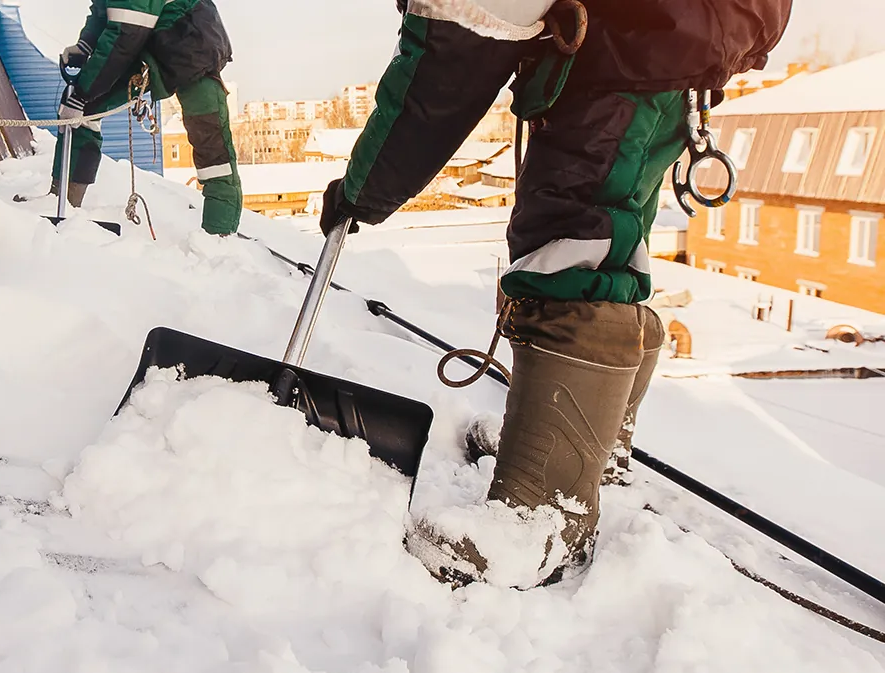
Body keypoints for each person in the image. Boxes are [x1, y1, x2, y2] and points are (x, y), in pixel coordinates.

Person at [319, 0, 793, 588]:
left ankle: (544, 518)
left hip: (636, 50)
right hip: (663, 38)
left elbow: (450, 57)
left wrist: (365, 187)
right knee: (610, 245)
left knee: (570, 246)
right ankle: (591, 456)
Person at [52, 0, 242, 236]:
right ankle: (62, 204)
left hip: (192, 49)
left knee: (212, 149)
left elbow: (126, 34)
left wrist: (82, 93)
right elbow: (105, 9)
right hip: (151, 46)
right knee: (86, 110)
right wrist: (84, 45)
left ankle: (220, 234)